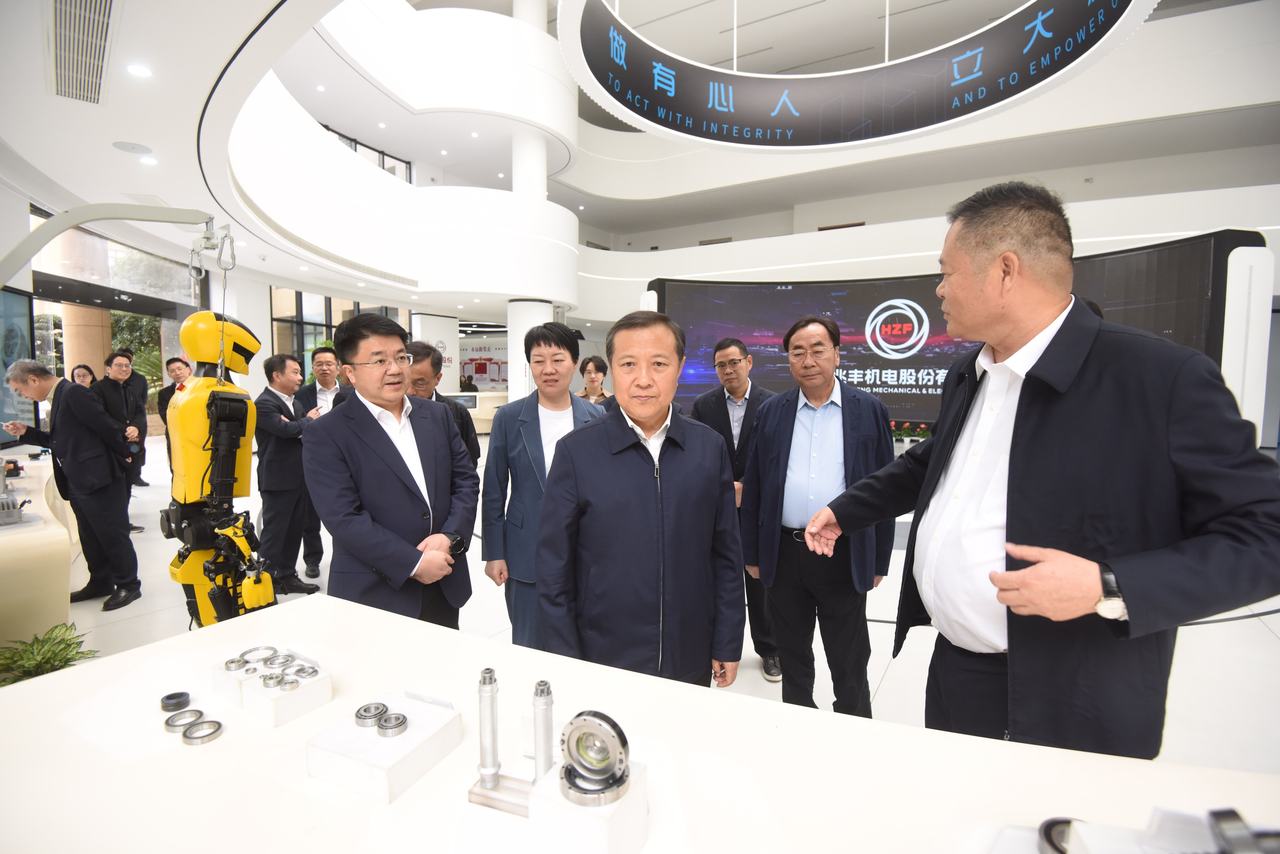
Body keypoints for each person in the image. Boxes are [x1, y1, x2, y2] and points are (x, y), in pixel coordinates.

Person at [803, 181, 1280, 759]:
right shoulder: (970, 373)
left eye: (947, 273)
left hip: (1073, 694)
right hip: (956, 671)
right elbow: (932, 464)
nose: (939, 289)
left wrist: (1109, 587)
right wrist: (846, 510)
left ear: (1005, 270)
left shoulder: (1159, 379)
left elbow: (1265, 536)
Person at [537, 311, 745, 686]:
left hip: (689, 651)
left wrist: (727, 641)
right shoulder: (576, 452)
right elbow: (554, 569)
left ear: (680, 367)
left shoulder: (708, 448)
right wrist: (566, 658)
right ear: (612, 370)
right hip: (603, 656)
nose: (644, 380)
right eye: (629, 364)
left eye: (659, 364)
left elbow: (726, 555)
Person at [740, 318, 894, 716]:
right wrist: (752, 554)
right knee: (793, 656)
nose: (808, 360)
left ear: (837, 354)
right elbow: (755, 485)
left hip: (843, 552)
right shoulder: (772, 412)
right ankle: (798, 727)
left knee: (849, 658)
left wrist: (879, 560)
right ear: (789, 360)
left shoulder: (868, 410)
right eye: (798, 352)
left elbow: (886, 489)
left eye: (818, 349)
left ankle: (854, 726)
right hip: (784, 553)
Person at [303, 313, 479, 628]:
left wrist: (450, 537)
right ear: (350, 372)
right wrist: (414, 563)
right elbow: (343, 517)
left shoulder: (437, 415)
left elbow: (465, 481)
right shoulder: (326, 432)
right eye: (379, 360)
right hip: (374, 592)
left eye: (400, 357)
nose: (395, 369)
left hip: (443, 579)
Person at [482, 323, 604, 647]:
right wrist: (494, 553)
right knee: (529, 642)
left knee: (584, 642)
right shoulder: (509, 418)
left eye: (558, 359)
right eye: (538, 361)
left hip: (585, 552)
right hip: (525, 551)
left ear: (574, 363)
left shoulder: (597, 417)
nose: (548, 369)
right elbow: (494, 489)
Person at [4, 359, 142, 611]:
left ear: (33, 379)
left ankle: (129, 584)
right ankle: (100, 581)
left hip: (98, 477)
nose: (23, 396)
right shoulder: (60, 396)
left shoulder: (73, 393)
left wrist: (126, 455)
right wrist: (26, 432)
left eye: (20, 391)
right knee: (90, 536)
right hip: (79, 479)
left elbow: (107, 427)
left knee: (112, 534)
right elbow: (59, 440)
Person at [690, 337, 781, 683]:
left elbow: (777, 457)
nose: (728, 370)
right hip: (717, 506)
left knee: (759, 582)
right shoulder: (704, 405)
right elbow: (697, 454)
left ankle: (770, 649)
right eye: (721, 365)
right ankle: (718, 648)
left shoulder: (772, 403)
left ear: (749, 362)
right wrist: (725, 487)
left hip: (758, 508)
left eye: (734, 362)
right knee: (718, 579)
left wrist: (748, 487)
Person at [253, 354, 321, 596]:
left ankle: (287, 575)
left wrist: (298, 426)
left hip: (299, 476)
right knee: (274, 532)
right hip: (277, 479)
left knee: (294, 530)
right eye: (295, 372)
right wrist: (306, 422)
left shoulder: (295, 403)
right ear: (277, 375)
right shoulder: (264, 403)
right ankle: (265, 580)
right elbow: (286, 430)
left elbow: (297, 430)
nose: (300, 377)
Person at [295, 346, 348, 579]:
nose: (324, 368)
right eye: (319, 364)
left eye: (329, 363)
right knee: (310, 515)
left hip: (345, 460)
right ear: (313, 368)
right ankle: (312, 560)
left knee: (346, 510)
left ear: (338, 367)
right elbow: (295, 424)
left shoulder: (350, 392)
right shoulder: (301, 395)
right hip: (313, 459)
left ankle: (346, 556)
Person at [92, 351, 147, 531]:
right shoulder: (97, 389)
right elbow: (100, 417)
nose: (124, 369)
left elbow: (140, 412)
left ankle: (122, 522)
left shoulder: (130, 389)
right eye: (119, 365)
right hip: (110, 446)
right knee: (113, 487)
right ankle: (113, 524)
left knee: (127, 485)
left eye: (127, 366)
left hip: (130, 445)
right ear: (108, 369)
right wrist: (124, 429)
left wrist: (136, 427)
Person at [406, 341, 481, 467]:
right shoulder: (387, 412)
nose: (409, 391)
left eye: (420, 383)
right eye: (403, 381)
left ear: (438, 378)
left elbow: (470, 460)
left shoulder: (457, 413)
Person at [116, 347, 151, 487]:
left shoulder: (140, 379)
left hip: (137, 418)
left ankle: (136, 475)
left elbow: (143, 399)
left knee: (137, 448)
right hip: (118, 420)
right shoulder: (111, 379)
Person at [157, 356, 191, 473]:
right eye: (172, 371)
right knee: (177, 469)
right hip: (175, 436)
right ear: (169, 374)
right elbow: (165, 416)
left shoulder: (201, 389)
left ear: (188, 369)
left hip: (198, 436)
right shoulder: (164, 393)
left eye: (180, 369)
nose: (177, 372)